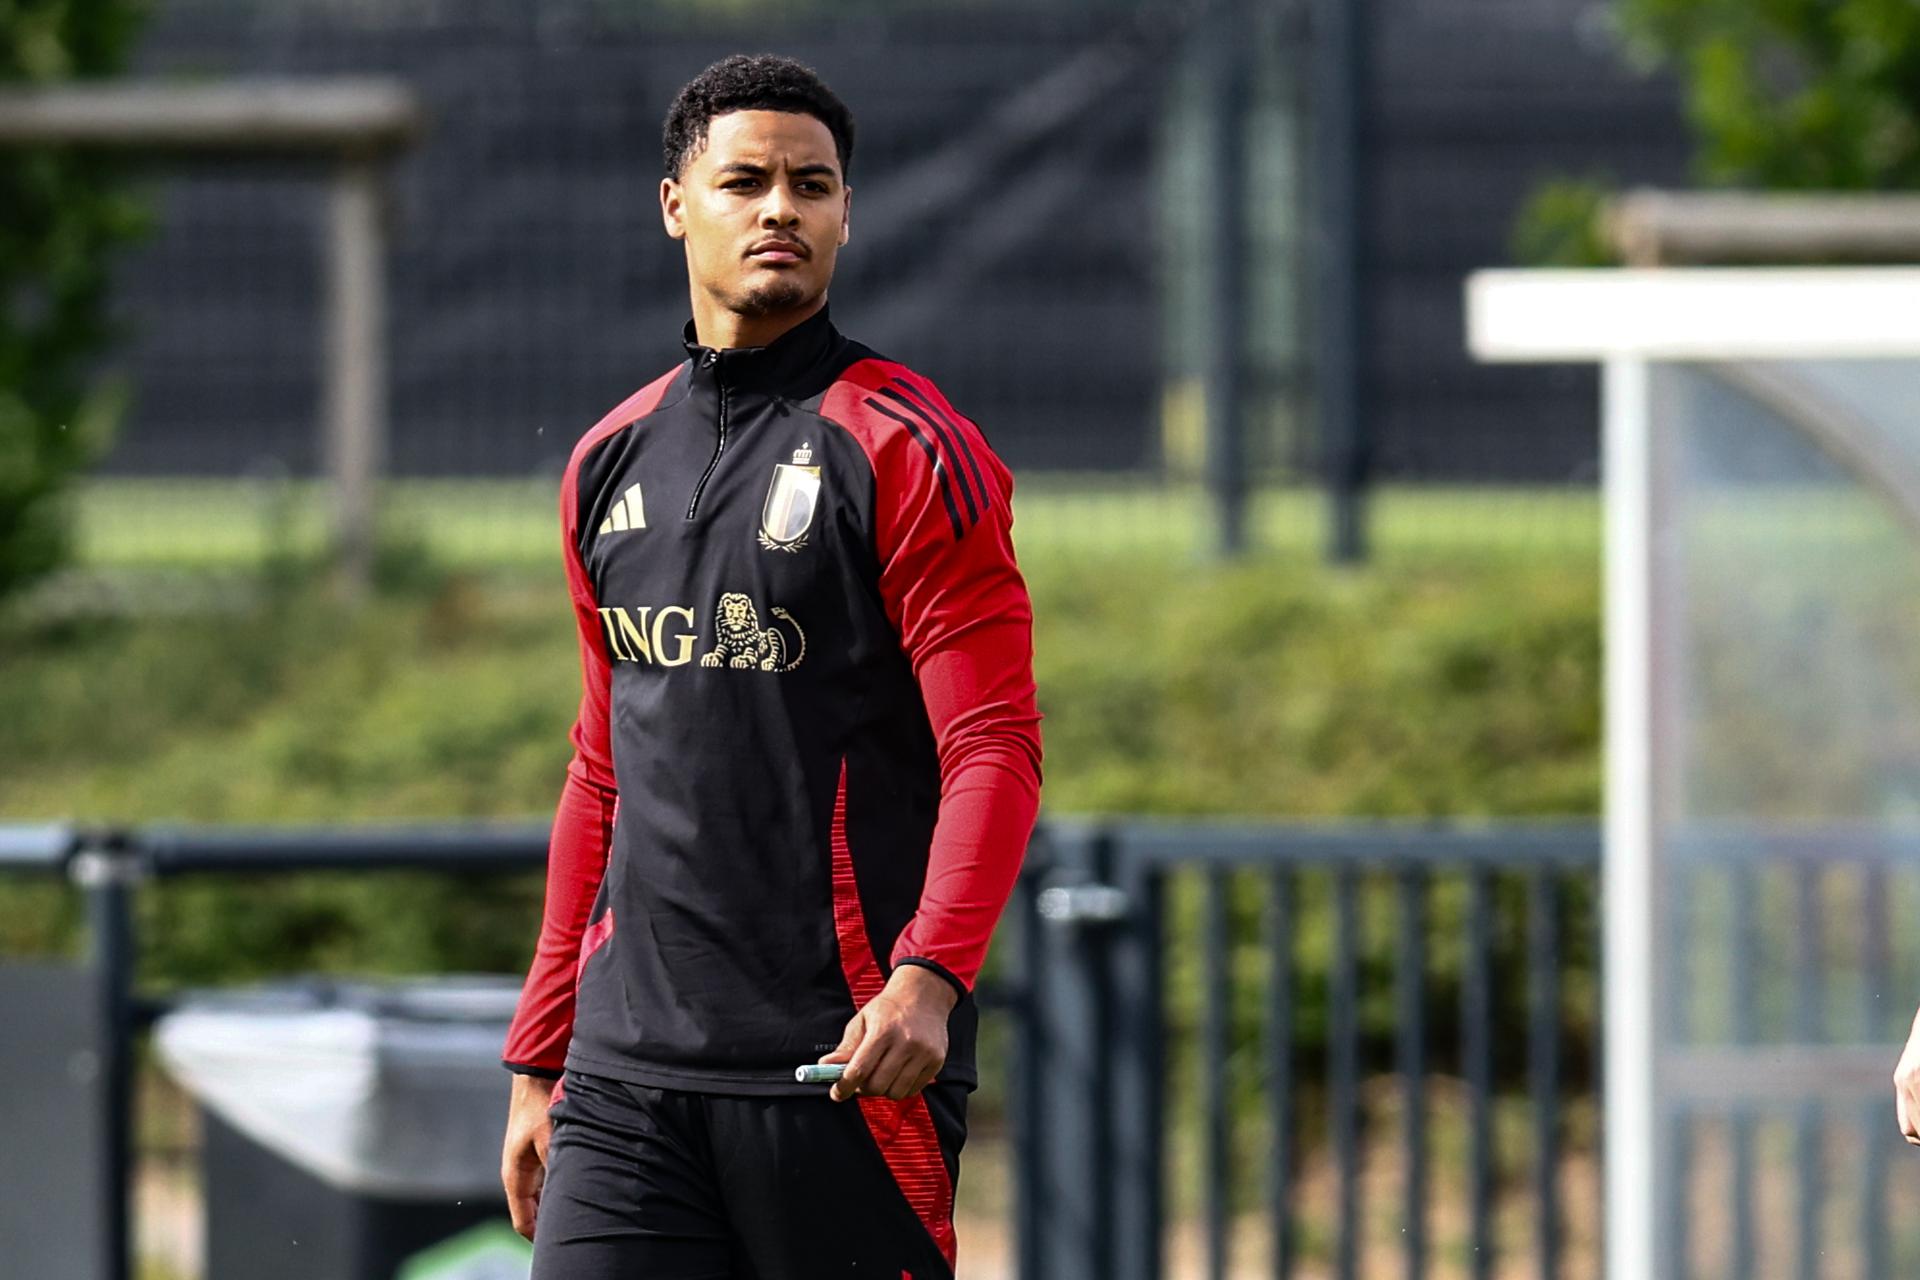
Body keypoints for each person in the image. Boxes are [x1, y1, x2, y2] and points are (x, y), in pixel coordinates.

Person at [497, 52, 1043, 1279]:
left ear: (848, 212)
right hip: (627, 1080)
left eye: (813, 183)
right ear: (676, 202)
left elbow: (995, 744)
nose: (780, 208)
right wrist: (542, 1053)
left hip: (845, 1062)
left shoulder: (911, 450)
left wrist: (929, 978)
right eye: (744, 179)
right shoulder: (606, 461)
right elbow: (601, 772)